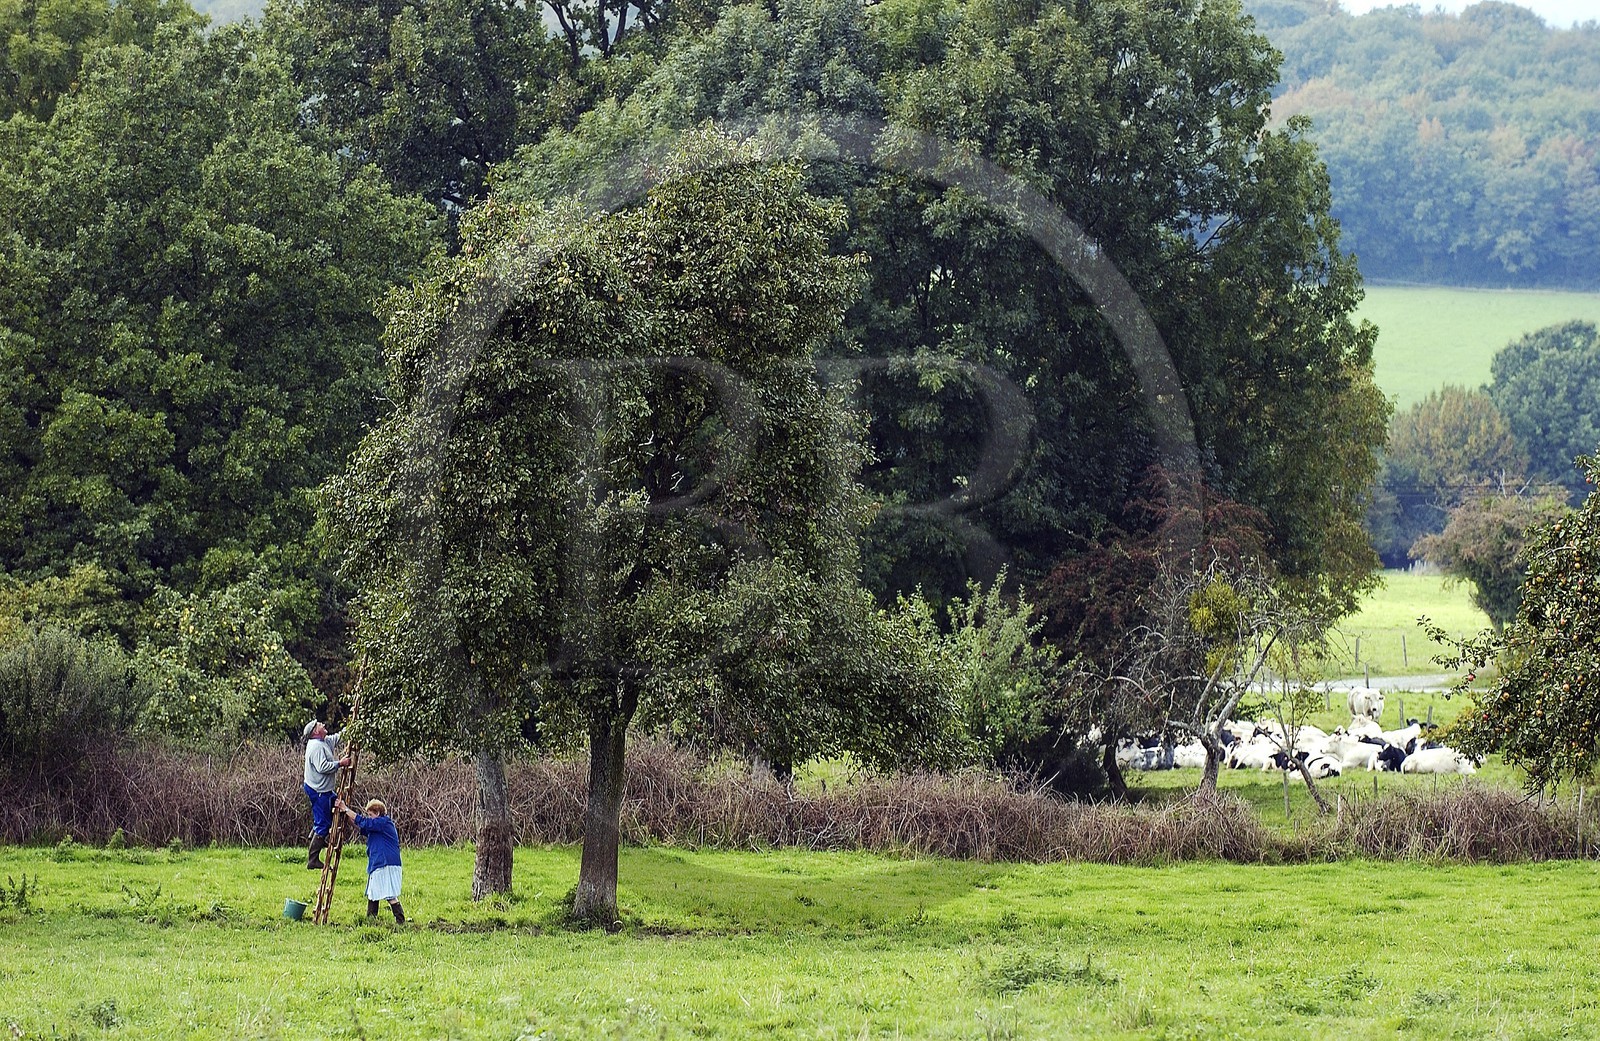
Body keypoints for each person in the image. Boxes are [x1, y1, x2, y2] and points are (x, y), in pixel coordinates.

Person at [335, 796, 404, 924]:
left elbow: (365, 823)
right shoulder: (376, 826)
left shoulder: (383, 823)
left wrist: (345, 808)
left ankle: (399, 920)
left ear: (377, 813)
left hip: (385, 863)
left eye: (370, 814)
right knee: (374, 891)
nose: (369, 816)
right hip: (380, 862)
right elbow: (361, 827)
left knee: (387, 893)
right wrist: (347, 816)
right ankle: (372, 920)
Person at [301, 719, 350, 870]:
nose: (323, 724)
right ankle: (313, 859)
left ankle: (316, 836)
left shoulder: (324, 741)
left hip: (325, 790)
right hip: (319, 791)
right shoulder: (316, 747)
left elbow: (336, 738)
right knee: (323, 824)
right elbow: (322, 767)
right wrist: (339, 764)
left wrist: (351, 729)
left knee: (340, 807)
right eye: (319, 724)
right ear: (315, 732)